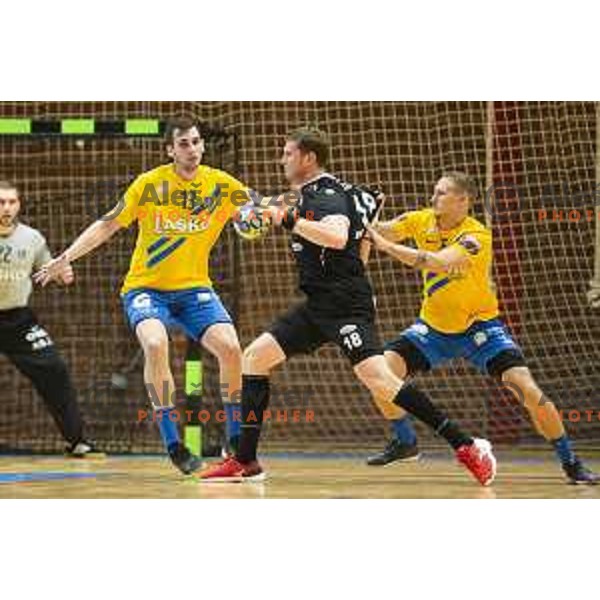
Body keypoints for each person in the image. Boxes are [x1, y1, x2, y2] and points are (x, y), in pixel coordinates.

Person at [198, 128, 496, 485]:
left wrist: (286, 219)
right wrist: (261, 210)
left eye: (288, 153)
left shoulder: (324, 194)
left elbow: (338, 235)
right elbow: (363, 219)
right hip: (319, 303)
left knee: (380, 380)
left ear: (308, 158)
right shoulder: (322, 192)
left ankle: (467, 446)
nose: (282, 159)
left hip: (345, 306)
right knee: (254, 358)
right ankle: (245, 460)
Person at [36, 117, 252, 474]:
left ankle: (234, 440)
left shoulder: (221, 185)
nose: (193, 150)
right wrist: (65, 257)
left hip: (195, 289)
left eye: (197, 142)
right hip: (146, 290)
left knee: (231, 348)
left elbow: (259, 207)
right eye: (184, 143)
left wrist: (256, 215)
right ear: (170, 149)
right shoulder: (149, 185)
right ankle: (174, 444)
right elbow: (107, 223)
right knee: (154, 344)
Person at [365, 171, 598, 485]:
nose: (433, 197)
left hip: (481, 330)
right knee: (379, 372)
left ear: (463, 200)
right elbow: (380, 231)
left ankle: (571, 463)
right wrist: (363, 213)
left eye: (442, 193)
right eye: (434, 191)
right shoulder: (420, 220)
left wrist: (384, 245)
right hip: (432, 330)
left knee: (530, 392)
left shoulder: (477, 236)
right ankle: (405, 441)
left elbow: (438, 262)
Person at [0, 180, 100, 457]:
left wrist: (60, 272)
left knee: (55, 370)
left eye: (11, 201)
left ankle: (76, 440)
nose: (6, 207)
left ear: (18, 204)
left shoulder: (32, 238)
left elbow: (48, 265)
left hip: (18, 320)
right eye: (1, 202)